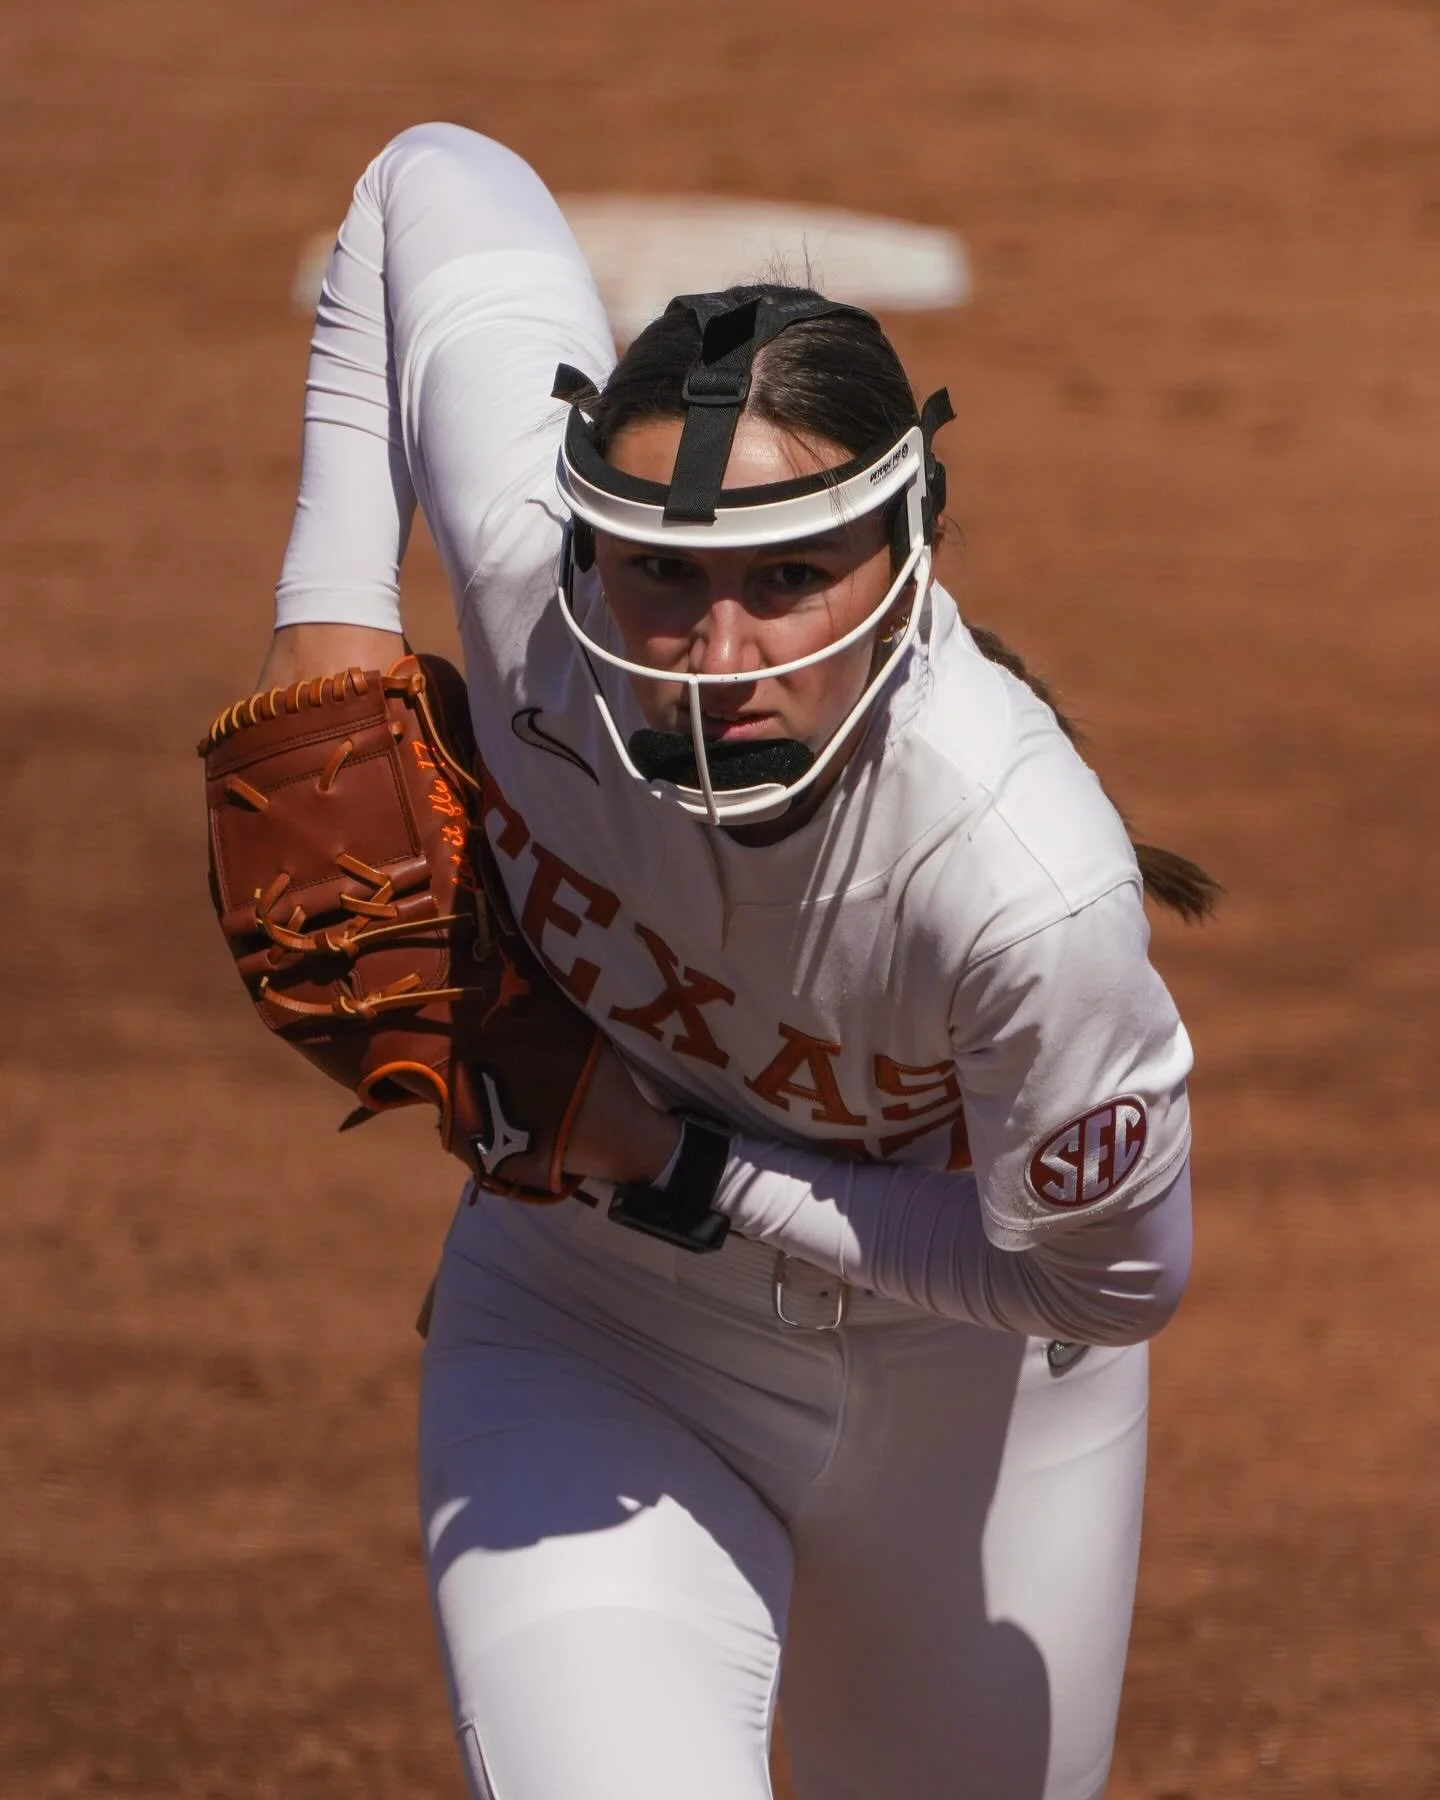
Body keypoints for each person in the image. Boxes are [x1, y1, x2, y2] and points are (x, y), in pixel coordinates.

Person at [258, 121, 1210, 1800]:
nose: (716, 657)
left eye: (786, 580)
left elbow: (1102, 1279)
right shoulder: (536, 603)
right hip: (592, 1329)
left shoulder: (1018, 881)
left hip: (975, 1410)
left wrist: (689, 1157)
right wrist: (328, 614)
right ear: (586, 551)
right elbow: (430, 173)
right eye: (662, 580)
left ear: (905, 558)